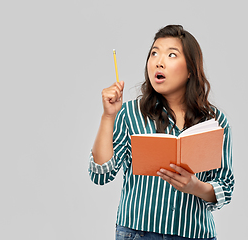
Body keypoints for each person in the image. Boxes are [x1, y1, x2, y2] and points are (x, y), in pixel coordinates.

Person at [89, 25, 234, 240]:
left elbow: (225, 186)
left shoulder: (214, 121)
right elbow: (100, 175)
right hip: (137, 233)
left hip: (194, 235)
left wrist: (195, 186)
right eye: (154, 53)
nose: (159, 61)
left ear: (190, 70)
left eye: (171, 54)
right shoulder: (130, 113)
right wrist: (108, 116)